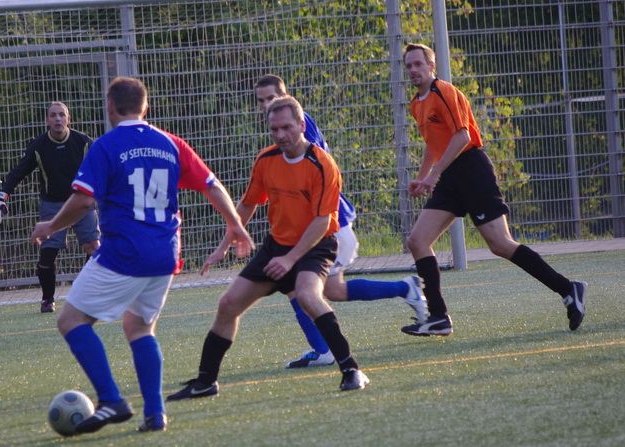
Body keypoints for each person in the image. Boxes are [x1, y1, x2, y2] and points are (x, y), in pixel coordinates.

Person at [30, 77, 253, 434]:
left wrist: (51, 225)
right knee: (139, 327)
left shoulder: (106, 146)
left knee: (71, 320)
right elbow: (212, 185)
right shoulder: (171, 143)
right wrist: (235, 225)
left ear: (110, 107)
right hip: (165, 254)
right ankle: (155, 413)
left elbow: (84, 200)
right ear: (145, 106)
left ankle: (111, 400)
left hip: (124, 253)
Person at [167, 95, 370, 401]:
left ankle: (351, 369)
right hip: (277, 246)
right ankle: (206, 381)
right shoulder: (266, 159)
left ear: (301, 125)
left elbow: (322, 221)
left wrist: (290, 259)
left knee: (308, 296)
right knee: (228, 304)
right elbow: (248, 204)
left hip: (315, 246)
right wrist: (225, 244)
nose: (280, 134)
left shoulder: (322, 164)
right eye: (274, 129)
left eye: (287, 127)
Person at [400, 43, 587, 336]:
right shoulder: (416, 104)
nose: (413, 70)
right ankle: (438, 317)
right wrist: (423, 177)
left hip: (472, 170)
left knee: (500, 244)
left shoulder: (444, 92)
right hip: (450, 177)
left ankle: (568, 289)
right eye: (409, 66)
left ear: (431, 66)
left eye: (418, 64)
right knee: (417, 241)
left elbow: (462, 136)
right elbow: (432, 143)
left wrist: (433, 175)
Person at [248, 74, 428, 368]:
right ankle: (405, 288)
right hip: (320, 225)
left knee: (297, 287)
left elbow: (311, 175)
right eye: (262, 101)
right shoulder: (285, 130)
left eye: (272, 97)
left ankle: (324, 351)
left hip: (330, 225)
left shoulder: (299, 129)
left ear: (286, 95)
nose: (267, 104)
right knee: (332, 290)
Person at [0, 101, 99, 313]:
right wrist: (1, 197)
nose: (58, 119)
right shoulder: (38, 146)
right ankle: (47, 299)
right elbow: (17, 173)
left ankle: (86, 295)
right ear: (47, 120)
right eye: (53, 115)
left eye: (62, 115)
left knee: (94, 249)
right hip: (52, 204)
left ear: (69, 119)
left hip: (81, 203)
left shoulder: (84, 142)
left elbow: (105, 167)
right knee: (47, 254)